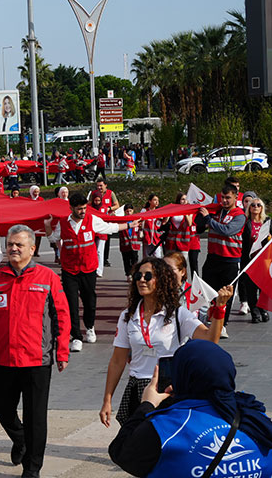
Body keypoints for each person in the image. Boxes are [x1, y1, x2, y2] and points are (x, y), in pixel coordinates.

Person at [0, 225, 70, 478]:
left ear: (32, 249)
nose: (13, 248)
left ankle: (32, 469)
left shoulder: (48, 277)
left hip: (37, 361)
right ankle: (21, 440)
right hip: (3, 360)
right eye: (10, 244)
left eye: (19, 245)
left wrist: (62, 351)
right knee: (2, 409)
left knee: (36, 418)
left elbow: (62, 315)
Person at [99, 257, 231, 428]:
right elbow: (117, 361)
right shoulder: (128, 316)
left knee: (164, 444)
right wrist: (107, 400)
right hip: (136, 386)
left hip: (168, 388)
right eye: (138, 275)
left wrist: (220, 309)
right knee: (134, 445)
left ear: (161, 281)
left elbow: (210, 339)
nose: (141, 280)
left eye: (148, 276)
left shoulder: (178, 313)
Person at [108, 340, 272, 477]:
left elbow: (121, 453)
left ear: (182, 375)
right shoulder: (257, 421)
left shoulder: (164, 428)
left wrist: (146, 405)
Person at [49, 192, 134, 352]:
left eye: (84, 208)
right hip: (69, 270)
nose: (82, 211)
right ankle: (76, 337)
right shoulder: (63, 223)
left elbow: (111, 227)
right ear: (71, 208)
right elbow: (53, 238)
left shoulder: (92, 220)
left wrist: (130, 224)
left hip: (88, 268)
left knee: (89, 300)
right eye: (79, 209)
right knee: (71, 303)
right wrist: (47, 226)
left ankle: (90, 327)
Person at [197, 183, 245, 335]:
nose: (224, 201)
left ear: (236, 197)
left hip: (230, 260)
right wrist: (201, 216)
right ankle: (210, 319)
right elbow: (199, 228)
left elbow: (227, 230)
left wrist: (208, 219)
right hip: (213, 258)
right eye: (222, 197)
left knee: (226, 294)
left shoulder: (239, 215)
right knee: (209, 292)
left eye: (228, 198)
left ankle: (223, 323)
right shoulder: (215, 211)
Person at [242, 194, 271, 324]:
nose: (255, 207)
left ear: (262, 208)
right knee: (250, 288)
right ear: (249, 208)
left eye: (258, 205)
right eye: (253, 205)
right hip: (249, 260)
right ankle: (254, 313)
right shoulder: (245, 223)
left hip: (264, 260)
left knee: (263, 287)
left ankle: (262, 309)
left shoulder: (268, 222)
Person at [119, 205, 142, 280]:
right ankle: (128, 274)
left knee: (134, 259)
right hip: (125, 244)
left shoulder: (136, 220)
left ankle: (134, 273)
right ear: (124, 212)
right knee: (126, 260)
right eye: (127, 211)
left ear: (133, 211)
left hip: (134, 244)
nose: (129, 213)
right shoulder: (121, 221)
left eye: (130, 211)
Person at [140, 194, 163, 258]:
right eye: (155, 200)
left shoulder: (160, 212)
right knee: (147, 258)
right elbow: (140, 222)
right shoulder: (144, 211)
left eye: (158, 200)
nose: (157, 202)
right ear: (150, 201)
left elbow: (163, 223)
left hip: (157, 239)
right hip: (147, 239)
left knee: (158, 258)